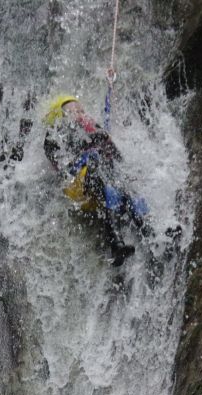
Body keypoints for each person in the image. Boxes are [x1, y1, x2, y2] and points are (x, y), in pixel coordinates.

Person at [43, 94, 150, 266]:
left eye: (81, 109)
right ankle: (115, 240)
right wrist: (90, 144)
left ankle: (148, 230)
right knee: (95, 161)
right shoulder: (55, 134)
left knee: (123, 181)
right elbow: (63, 167)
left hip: (99, 181)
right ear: (62, 116)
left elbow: (117, 157)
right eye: (74, 110)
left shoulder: (93, 128)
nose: (80, 113)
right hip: (77, 188)